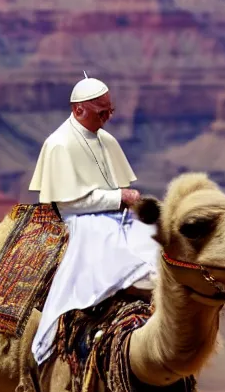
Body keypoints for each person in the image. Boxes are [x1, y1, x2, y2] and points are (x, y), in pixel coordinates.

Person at [29, 74, 159, 366]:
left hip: (114, 215)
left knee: (157, 246)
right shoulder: (59, 144)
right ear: (78, 110)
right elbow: (68, 201)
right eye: (102, 112)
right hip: (81, 221)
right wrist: (119, 197)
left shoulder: (105, 140)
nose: (108, 118)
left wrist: (123, 200)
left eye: (110, 111)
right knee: (126, 265)